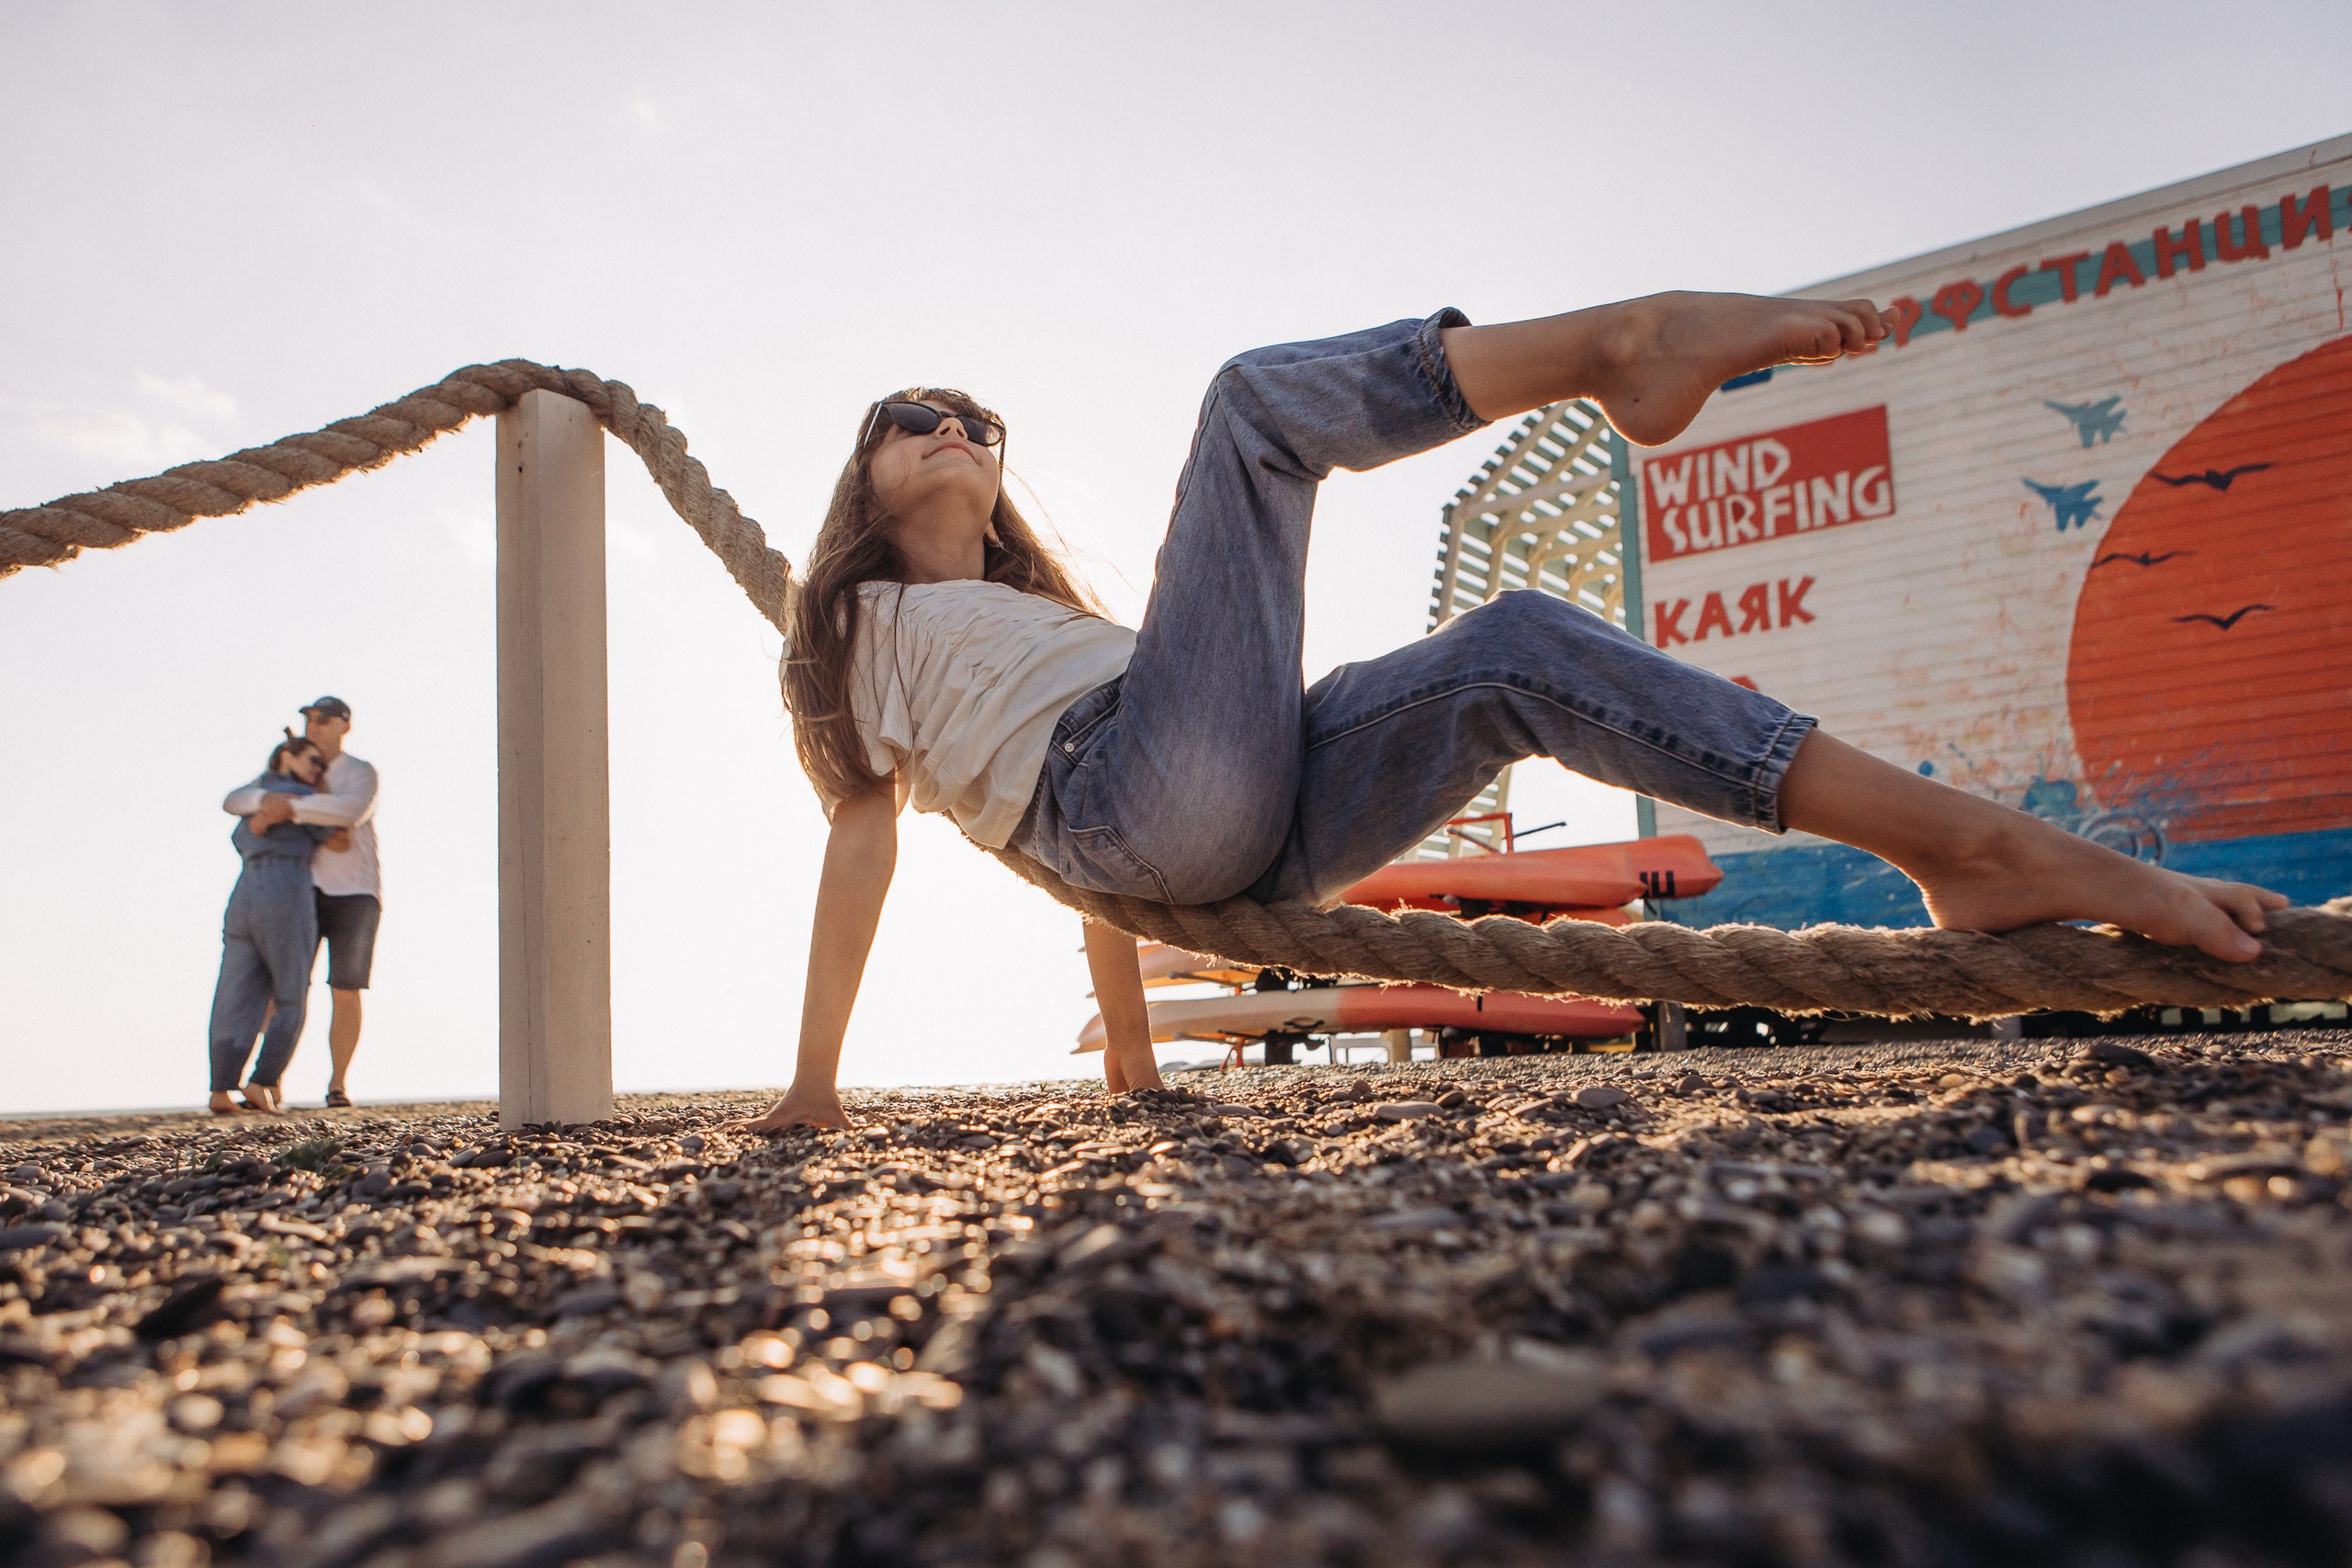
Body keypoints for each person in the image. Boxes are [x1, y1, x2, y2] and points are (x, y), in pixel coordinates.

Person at [737, 292, 2288, 1134]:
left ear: (1000, 473)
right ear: (863, 472)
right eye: (910, 418)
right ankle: (1613, 348)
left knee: (1519, 647)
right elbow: (880, 843)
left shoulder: (1055, 619)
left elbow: (1112, 892)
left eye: (976, 420)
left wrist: (1134, 1065)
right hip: (1132, 797)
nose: (951, 431)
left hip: (1222, 801)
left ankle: (1967, 849)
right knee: (1252, 412)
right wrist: (817, 1079)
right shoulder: (858, 623)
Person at [225, 696, 381, 1109]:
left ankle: (338, 1085)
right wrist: (265, 803)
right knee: (282, 989)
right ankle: (268, 1083)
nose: (314, 724)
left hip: (357, 891)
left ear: (344, 726)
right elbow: (235, 801)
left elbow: (350, 813)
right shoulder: (281, 772)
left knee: (346, 989)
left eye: (324, 719)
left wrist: (287, 807)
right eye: (309, 718)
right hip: (301, 889)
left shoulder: (360, 772)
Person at [209, 732, 335, 1114]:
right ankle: (262, 1082)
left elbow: (241, 825)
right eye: (314, 761)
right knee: (291, 994)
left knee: (234, 994)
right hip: (286, 888)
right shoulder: (305, 798)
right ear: (287, 757)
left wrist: (263, 815)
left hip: (245, 890)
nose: (319, 770)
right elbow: (338, 828)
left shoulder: (252, 793)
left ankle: (220, 1089)